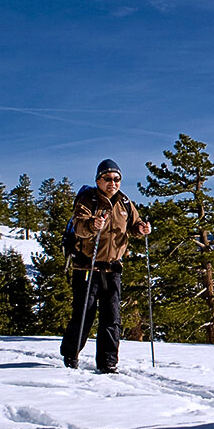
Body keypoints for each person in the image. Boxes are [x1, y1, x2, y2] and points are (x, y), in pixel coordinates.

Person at [60, 159, 151, 373]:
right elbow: (79, 226)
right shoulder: (87, 200)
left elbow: (134, 226)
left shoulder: (125, 203)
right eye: (108, 178)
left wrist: (142, 229)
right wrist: (92, 224)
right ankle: (71, 354)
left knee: (112, 317)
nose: (113, 183)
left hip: (113, 269)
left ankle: (108, 362)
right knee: (84, 314)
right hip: (87, 267)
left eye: (117, 179)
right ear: (98, 180)